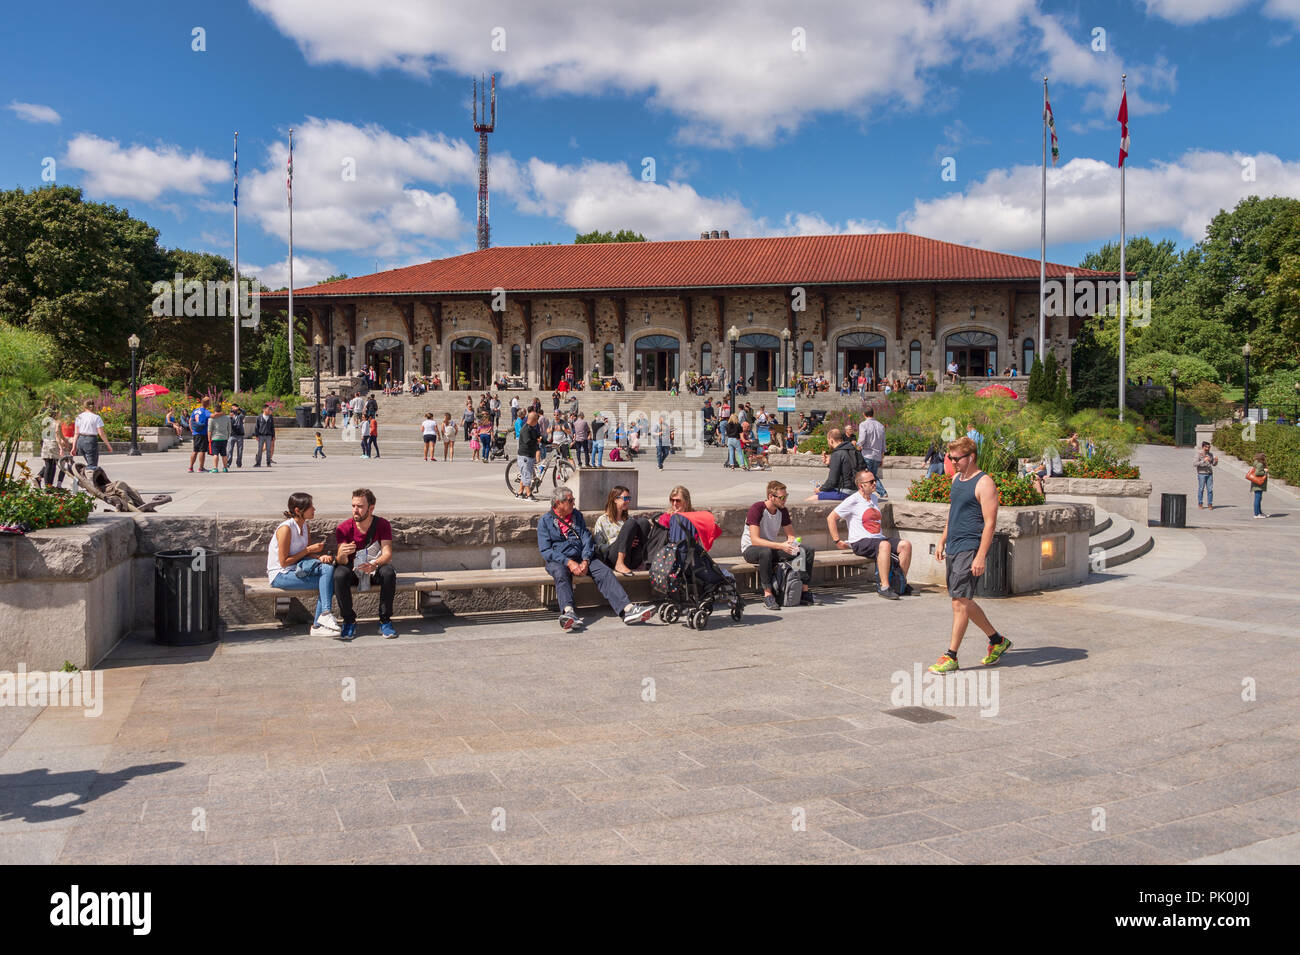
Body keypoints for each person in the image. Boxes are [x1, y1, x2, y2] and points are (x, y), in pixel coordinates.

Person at [930, 436, 1011, 673]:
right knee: (962, 599)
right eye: (950, 458)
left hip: (970, 547)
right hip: (954, 544)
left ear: (971, 457)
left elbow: (990, 523)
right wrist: (942, 540)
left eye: (956, 459)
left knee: (959, 602)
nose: (952, 463)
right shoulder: (957, 478)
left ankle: (951, 656)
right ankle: (997, 640)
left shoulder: (984, 483)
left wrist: (980, 556)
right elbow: (953, 513)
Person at [537, 486, 656, 631]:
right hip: (559, 560)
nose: (574, 502)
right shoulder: (545, 521)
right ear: (558, 503)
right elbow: (546, 551)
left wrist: (586, 559)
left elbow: (587, 538)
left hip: (582, 557)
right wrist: (568, 562)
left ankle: (628, 609)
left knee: (604, 572)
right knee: (561, 573)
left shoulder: (577, 516)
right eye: (570, 500)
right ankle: (569, 612)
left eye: (573, 499)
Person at [828, 469, 912, 599]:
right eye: (871, 481)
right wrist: (837, 540)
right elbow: (831, 517)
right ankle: (884, 587)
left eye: (875, 480)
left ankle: (900, 584)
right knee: (884, 545)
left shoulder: (873, 498)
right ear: (861, 485)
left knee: (905, 545)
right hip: (860, 541)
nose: (875, 484)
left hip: (878, 539)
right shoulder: (853, 500)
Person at [266, 492, 340, 636]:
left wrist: (319, 557)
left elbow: (304, 554)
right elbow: (283, 561)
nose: (314, 509)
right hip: (280, 574)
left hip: (297, 569)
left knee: (327, 570)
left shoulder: (305, 527)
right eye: (310, 506)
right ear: (298, 511)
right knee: (328, 582)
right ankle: (319, 623)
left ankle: (322, 620)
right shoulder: (286, 529)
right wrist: (308, 549)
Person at [332, 487, 398, 640]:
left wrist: (374, 564)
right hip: (353, 569)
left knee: (388, 572)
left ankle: (385, 620)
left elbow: (387, 553)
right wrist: (341, 554)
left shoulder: (382, 524)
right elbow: (341, 561)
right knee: (339, 574)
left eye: (360, 506)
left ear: (371, 508)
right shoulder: (344, 528)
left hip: (374, 568)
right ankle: (349, 621)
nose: (355, 510)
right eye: (354, 506)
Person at [741, 480, 815, 610]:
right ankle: (768, 594)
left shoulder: (782, 511)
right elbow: (755, 540)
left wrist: (793, 542)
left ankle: (804, 591)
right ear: (771, 496)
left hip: (772, 548)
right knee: (765, 552)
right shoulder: (757, 508)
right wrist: (781, 546)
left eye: (786, 496)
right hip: (751, 549)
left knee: (806, 551)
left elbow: (790, 535)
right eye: (782, 497)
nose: (784, 500)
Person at [807, 428, 857, 500]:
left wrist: (820, 489)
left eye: (828, 441)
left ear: (831, 440)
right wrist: (830, 464)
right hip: (856, 490)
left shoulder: (837, 454)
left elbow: (832, 482)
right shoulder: (852, 450)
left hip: (845, 492)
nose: (828, 443)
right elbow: (846, 470)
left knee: (811, 499)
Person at [71, 399, 112, 471]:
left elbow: (76, 433)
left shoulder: (79, 417)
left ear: (84, 407)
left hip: (80, 441)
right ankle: (88, 480)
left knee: (89, 463)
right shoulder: (96, 417)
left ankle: (84, 478)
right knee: (92, 465)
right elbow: (101, 433)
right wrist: (108, 445)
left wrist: (74, 447)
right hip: (90, 441)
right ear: (93, 406)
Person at [856, 406, 887, 498]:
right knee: (872, 475)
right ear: (873, 414)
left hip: (867, 454)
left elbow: (862, 439)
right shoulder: (880, 425)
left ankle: (878, 492)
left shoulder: (863, 425)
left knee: (866, 476)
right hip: (877, 455)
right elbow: (883, 443)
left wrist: (857, 446)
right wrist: (882, 457)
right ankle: (881, 492)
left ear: (864, 414)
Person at [517, 410, 541, 499]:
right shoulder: (525, 429)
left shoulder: (532, 428)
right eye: (536, 420)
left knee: (525, 474)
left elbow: (537, 436)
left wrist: (545, 441)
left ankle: (519, 493)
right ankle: (528, 494)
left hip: (530, 455)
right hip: (525, 455)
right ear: (534, 420)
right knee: (526, 475)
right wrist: (536, 441)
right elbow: (528, 441)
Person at [187, 397, 212, 472]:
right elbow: (213, 416)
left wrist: (192, 430)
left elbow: (190, 420)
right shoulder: (206, 411)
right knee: (202, 451)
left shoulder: (195, 410)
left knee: (195, 450)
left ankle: (190, 467)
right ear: (207, 403)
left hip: (195, 433)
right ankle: (201, 468)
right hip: (203, 433)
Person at [1195, 442, 1218, 509]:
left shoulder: (1210, 454)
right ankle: (1200, 503)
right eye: (1206, 447)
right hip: (1201, 474)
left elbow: (1213, 464)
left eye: (1209, 447)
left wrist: (1216, 461)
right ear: (1203, 447)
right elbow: (1195, 463)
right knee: (1201, 489)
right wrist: (1204, 461)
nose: (1208, 448)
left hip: (1209, 474)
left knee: (1210, 490)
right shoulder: (1199, 454)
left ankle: (1210, 504)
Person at [208, 407, 231, 472]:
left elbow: (209, 430)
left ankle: (215, 468)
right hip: (224, 438)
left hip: (215, 438)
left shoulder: (211, 419)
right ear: (221, 410)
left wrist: (209, 438)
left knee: (215, 454)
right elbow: (229, 428)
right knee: (224, 454)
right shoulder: (227, 418)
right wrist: (228, 436)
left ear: (214, 410)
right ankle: (225, 468)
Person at [1247, 453, 1268, 519]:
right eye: (1264, 458)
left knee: (1258, 498)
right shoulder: (1260, 464)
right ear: (1262, 458)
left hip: (1256, 483)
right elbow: (1257, 473)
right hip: (1258, 484)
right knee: (1258, 499)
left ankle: (1260, 512)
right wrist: (1264, 471)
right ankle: (1256, 514)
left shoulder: (1256, 463)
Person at [227, 403, 246, 468]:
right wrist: (231, 417)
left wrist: (239, 408)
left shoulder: (240, 416)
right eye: (232, 408)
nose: (233, 410)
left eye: (234, 408)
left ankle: (239, 463)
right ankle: (228, 463)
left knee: (240, 450)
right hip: (231, 435)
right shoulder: (229, 417)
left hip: (240, 435)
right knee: (229, 450)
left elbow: (244, 412)